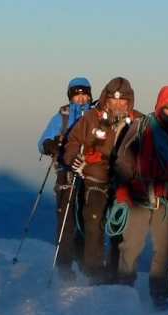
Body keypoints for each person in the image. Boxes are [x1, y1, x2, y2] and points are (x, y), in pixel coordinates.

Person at [112, 85, 168, 310]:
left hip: (167, 202)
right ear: (160, 107)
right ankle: (124, 295)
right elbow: (123, 159)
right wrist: (124, 189)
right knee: (130, 247)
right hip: (137, 198)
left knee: (164, 252)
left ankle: (159, 298)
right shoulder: (140, 127)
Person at [61, 77, 142, 284]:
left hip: (124, 182)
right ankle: (93, 273)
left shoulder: (139, 122)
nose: (117, 105)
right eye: (113, 101)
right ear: (106, 99)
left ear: (129, 102)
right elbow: (73, 141)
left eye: (122, 101)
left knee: (120, 227)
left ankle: (117, 274)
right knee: (93, 221)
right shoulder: (91, 118)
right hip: (94, 177)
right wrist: (72, 159)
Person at [38, 77, 93, 282]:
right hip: (66, 172)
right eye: (77, 94)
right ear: (70, 96)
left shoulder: (95, 116)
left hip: (90, 172)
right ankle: (65, 269)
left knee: (88, 220)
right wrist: (50, 145)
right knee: (67, 223)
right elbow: (42, 141)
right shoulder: (61, 117)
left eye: (84, 94)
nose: (81, 98)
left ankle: (85, 264)